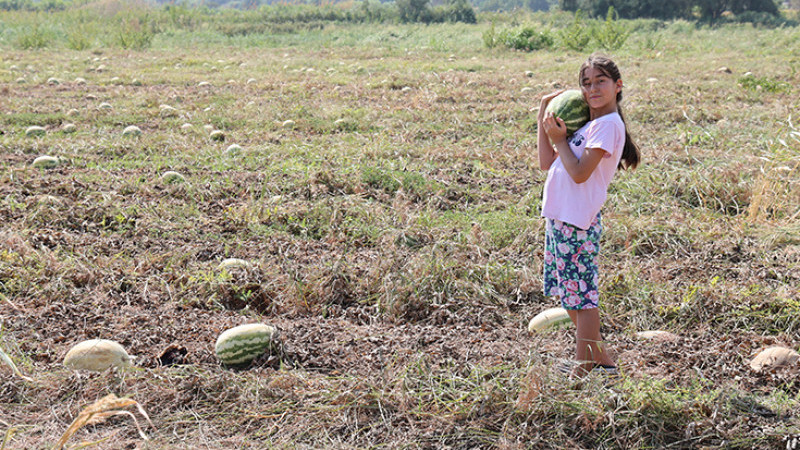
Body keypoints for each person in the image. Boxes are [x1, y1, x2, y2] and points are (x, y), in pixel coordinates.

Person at [537, 54, 640, 378]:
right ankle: (602, 361)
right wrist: (544, 113)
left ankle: (583, 367)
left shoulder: (609, 126)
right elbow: (545, 161)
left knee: (582, 297)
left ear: (617, 86)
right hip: (560, 216)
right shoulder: (592, 124)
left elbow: (580, 173)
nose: (592, 88)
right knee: (570, 293)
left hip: (577, 221)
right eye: (586, 83)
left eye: (600, 81)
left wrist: (559, 141)